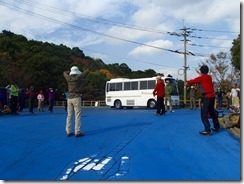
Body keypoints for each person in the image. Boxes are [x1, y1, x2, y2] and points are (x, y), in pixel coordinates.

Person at [186, 65, 220, 136]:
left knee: (204, 114)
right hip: (212, 96)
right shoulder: (209, 77)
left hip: (206, 97)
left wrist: (187, 82)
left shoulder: (202, 78)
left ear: (201, 71)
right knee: (212, 112)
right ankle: (217, 127)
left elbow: (194, 80)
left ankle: (207, 130)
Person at [63, 66, 89, 137]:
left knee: (69, 115)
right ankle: (77, 131)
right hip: (76, 97)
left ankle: (68, 131)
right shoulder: (78, 77)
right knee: (77, 115)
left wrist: (70, 71)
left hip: (69, 98)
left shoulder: (68, 78)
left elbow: (64, 73)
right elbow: (86, 72)